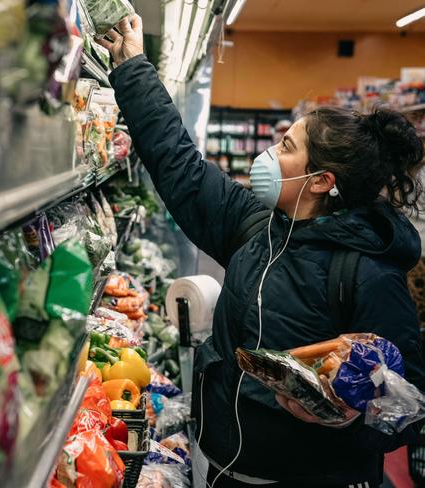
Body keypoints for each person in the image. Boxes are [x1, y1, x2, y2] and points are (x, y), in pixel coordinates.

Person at [96, 16, 425, 488]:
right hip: (228, 471)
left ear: (321, 181)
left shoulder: (369, 273)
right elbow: (180, 166)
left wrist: (344, 417)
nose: (270, 153)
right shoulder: (258, 230)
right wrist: (131, 66)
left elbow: (409, 406)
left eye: (286, 146)